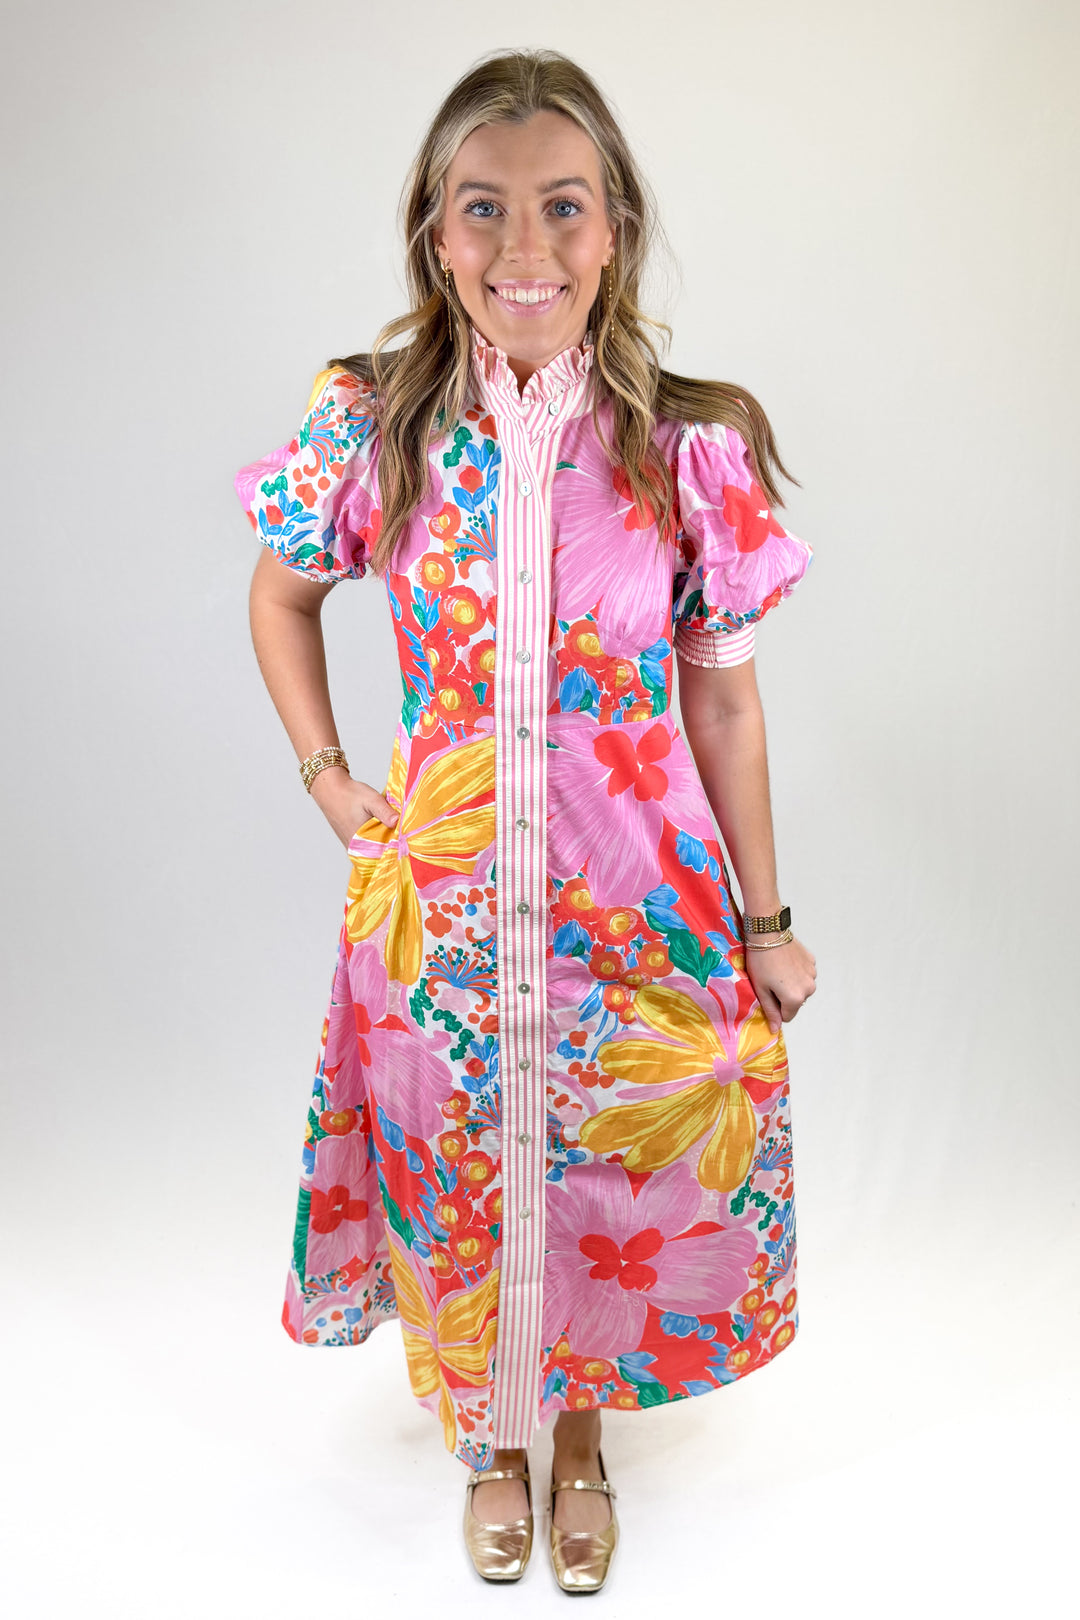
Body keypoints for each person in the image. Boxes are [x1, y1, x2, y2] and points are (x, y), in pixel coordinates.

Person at [234, 46, 817, 1595]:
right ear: (439, 233)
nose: (523, 249)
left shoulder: (689, 449)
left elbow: (727, 705)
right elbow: (281, 596)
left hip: (645, 899)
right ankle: (490, 1441)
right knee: (457, 1159)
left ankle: (578, 1443)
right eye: (482, 210)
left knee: (604, 1165)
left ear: (613, 227)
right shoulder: (375, 428)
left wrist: (765, 921)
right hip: (437, 905)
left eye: (561, 208)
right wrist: (332, 777)